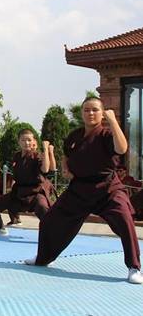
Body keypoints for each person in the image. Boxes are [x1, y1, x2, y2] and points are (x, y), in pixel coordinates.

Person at [25, 97, 143, 284]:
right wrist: (66, 167)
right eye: (87, 110)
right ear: (82, 113)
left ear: (102, 112)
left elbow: (122, 148)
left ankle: (134, 267)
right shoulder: (75, 136)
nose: (90, 113)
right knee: (49, 221)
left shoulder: (106, 134)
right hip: (79, 189)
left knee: (125, 219)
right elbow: (66, 154)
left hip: (108, 188)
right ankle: (43, 258)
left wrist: (112, 120)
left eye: (95, 110)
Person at [0, 130, 53, 236]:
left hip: (35, 193)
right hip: (19, 193)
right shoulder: (17, 156)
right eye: (23, 140)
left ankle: (53, 234)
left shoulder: (37, 156)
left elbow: (45, 169)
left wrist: (45, 149)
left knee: (43, 208)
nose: (26, 143)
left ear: (34, 141)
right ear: (19, 142)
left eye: (29, 140)